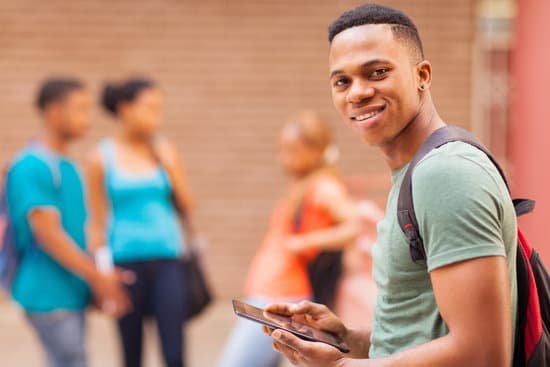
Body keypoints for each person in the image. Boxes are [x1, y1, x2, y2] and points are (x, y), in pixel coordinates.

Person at [265, 4, 518, 367]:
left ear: (423, 76)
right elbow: (424, 336)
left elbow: (482, 354)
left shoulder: (446, 174)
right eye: (342, 81)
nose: (358, 92)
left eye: (377, 72)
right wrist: (344, 338)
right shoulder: (416, 172)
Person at [5, 78, 132, 367]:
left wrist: (98, 278)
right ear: (53, 111)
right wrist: (97, 277)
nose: (87, 120)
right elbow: (48, 234)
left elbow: (81, 232)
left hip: (71, 292)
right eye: (80, 110)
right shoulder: (31, 165)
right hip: (47, 294)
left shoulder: (69, 167)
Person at [219, 111, 360, 367]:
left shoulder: (324, 187)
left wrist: (305, 242)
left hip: (284, 294)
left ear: (316, 151)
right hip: (270, 293)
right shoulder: (305, 184)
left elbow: (353, 226)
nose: (284, 158)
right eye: (282, 150)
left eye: (292, 151)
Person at [86, 78, 195, 367]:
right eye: (149, 109)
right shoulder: (101, 157)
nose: (156, 117)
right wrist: (102, 275)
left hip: (168, 260)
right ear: (124, 109)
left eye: (159, 109)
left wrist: (169, 167)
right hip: (125, 265)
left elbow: (187, 206)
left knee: (174, 352)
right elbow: (96, 221)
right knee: (130, 353)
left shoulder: (165, 150)